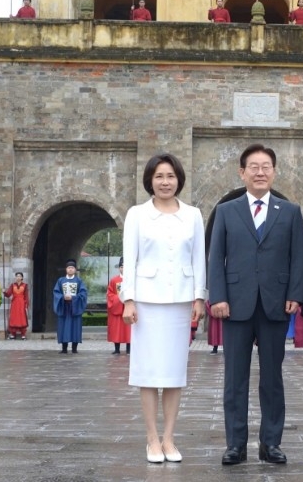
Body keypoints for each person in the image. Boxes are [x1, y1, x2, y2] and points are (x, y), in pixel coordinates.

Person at [208, 143, 303, 465]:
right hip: (235, 305)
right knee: (235, 379)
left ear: (274, 172)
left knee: (272, 379)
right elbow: (215, 257)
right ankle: (235, 444)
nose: (260, 171)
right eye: (254, 166)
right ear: (242, 172)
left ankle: (271, 444)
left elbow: (299, 257)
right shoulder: (226, 211)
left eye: (266, 166)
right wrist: (218, 296)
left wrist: (295, 293)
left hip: (275, 305)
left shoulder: (289, 211)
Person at [120, 153, 207, 464]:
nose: (165, 182)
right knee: (147, 371)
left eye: (170, 176)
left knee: (173, 373)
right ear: (150, 181)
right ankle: (151, 439)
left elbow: (199, 258)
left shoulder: (193, 215)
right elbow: (130, 259)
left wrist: (200, 296)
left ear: (179, 179)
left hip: (180, 301)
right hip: (145, 301)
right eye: (159, 176)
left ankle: (169, 437)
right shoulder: (137, 215)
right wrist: (128, 298)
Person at [53, 259, 88, 354]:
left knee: (75, 327)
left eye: (72, 268)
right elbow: (56, 292)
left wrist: (73, 298)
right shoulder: (61, 281)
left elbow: (83, 294)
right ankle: (64, 348)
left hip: (74, 308)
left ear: (75, 270)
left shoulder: (79, 281)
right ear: (66, 269)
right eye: (69, 268)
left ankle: (74, 348)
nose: (70, 269)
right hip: (64, 307)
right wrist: (62, 297)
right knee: (63, 327)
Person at [106, 258, 131, 354]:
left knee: (129, 329)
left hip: (128, 307)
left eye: (125, 267)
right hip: (117, 308)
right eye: (121, 267)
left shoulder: (132, 280)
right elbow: (110, 294)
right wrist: (119, 299)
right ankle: (117, 349)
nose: (123, 269)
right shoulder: (114, 280)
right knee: (117, 329)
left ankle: (129, 349)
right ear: (119, 268)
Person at [4, 272, 30, 340]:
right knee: (14, 317)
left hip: (22, 303)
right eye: (17, 276)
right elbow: (8, 294)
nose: (18, 277)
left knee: (22, 318)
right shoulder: (12, 285)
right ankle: (13, 334)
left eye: (19, 276)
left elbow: (26, 295)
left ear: (22, 277)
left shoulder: (25, 285)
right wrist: (4, 292)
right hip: (14, 303)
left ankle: (23, 334)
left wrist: (26, 304)